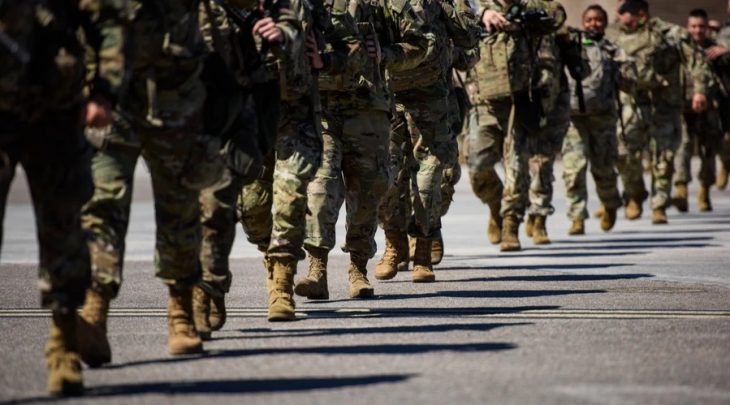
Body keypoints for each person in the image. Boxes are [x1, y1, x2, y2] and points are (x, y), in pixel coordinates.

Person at [79, 0, 223, 366]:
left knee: (180, 209)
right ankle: (95, 311)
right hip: (113, 99)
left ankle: (180, 313)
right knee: (103, 204)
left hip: (176, 99)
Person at [0, 0, 126, 395]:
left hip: (54, 111)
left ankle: (64, 345)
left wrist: (104, 91)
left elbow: (107, 22)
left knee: (64, 228)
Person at [375, 0, 480, 282]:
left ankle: (422, 247)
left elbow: (470, 38)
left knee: (430, 179)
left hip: (432, 99)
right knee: (385, 178)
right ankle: (394, 244)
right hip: (387, 97)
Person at [236, 0, 324, 321]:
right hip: (251, 113)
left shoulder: (306, 4)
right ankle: (271, 261)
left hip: (295, 115)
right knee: (252, 208)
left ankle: (282, 288)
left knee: (289, 198)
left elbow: (342, 42)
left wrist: (324, 58)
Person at [466, 0, 562, 252]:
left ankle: (511, 224)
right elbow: (451, 12)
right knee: (477, 167)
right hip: (483, 102)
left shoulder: (528, 4)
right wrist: (482, 13)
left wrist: (527, 14)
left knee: (517, 167)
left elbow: (557, 15)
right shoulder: (475, 5)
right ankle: (495, 204)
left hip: (518, 100)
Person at [606, 0, 709, 225]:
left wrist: (699, 91)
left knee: (663, 155)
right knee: (624, 154)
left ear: (641, 14)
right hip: (632, 104)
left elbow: (696, 59)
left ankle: (659, 204)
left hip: (664, 104)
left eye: (625, 15)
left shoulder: (669, 34)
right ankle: (635, 193)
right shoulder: (613, 35)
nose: (621, 19)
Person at [561, 4, 636, 235]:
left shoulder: (612, 49)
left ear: (605, 23)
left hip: (603, 119)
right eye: (589, 20)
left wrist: (619, 67)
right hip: (573, 119)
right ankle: (577, 217)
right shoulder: (571, 45)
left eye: (598, 20)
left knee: (603, 169)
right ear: (583, 22)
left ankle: (610, 204)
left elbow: (630, 82)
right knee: (574, 169)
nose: (594, 24)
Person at [671, 8, 728, 213]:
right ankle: (681, 190)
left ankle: (704, 191)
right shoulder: (679, 48)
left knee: (707, 150)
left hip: (710, 108)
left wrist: (725, 52)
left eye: (701, 26)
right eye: (693, 26)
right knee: (682, 147)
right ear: (687, 27)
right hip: (683, 106)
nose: (697, 30)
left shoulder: (716, 49)